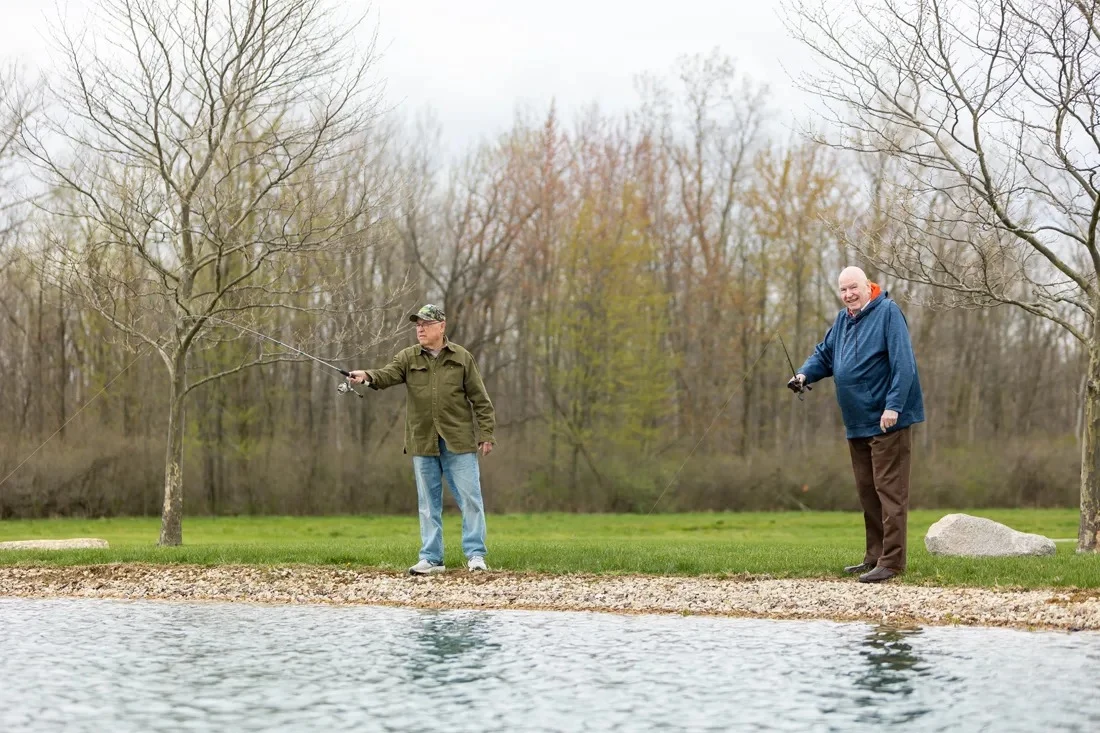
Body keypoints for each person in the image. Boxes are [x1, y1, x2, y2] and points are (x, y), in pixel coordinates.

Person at [788, 267, 924, 583]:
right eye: (843, 290)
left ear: (867, 286)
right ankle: (874, 556)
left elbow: (904, 363)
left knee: (890, 492)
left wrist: (893, 406)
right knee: (868, 492)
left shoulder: (888, 313)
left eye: (853, 288)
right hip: (857, 422)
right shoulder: (843, 320)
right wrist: (804, 375)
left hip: (887, 421)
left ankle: (892, 562)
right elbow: (824, 355)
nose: (849, 294)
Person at [348, 304, 496, 575]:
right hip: (422, 441)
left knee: (471, 499)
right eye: (418, 325)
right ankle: (431, 558)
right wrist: (366, 376)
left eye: (426, 324)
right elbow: (386, 375)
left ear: (442, 326)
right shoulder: (408, 357)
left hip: (459, 441)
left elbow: (481, 401)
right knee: (428, 504)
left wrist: (486, 434)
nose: (420, 329)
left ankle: (476, 555)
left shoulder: (462, 358)